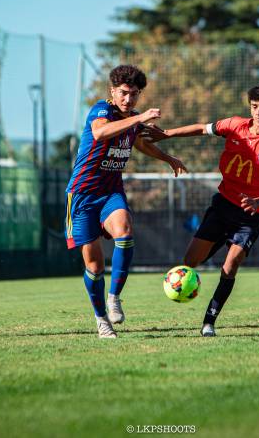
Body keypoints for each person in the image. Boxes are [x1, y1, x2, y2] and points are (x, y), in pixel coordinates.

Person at [148, 85, 259, 337]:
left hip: (250, 215)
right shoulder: (234, 125)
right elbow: (202, 128)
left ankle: (209, 322)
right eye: (255, 107)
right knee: (190, 262)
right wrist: (166, 134)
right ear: (250, 108)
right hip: (222, 205)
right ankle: (217, 243)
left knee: (230, 265)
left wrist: (258, 202)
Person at [66, 65, 187, 338]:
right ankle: (101, 320)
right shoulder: (101, 110)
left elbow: (141, 144)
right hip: (83, 195)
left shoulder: (133, 120)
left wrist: (169, 159)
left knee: (125, 231)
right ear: (112, 91)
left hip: (110, 192)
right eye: (123, 93)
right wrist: (139, 118)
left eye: (133, 94)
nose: (128, 99)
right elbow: (100, 133)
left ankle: (114, 297)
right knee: (94, 267)